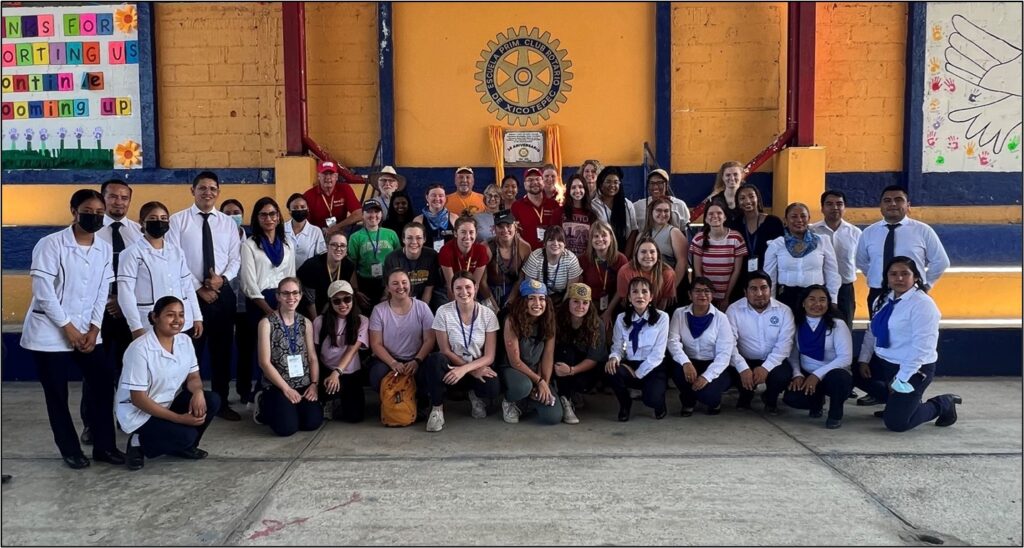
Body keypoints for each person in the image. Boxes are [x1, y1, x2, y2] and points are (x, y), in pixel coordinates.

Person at [21, 188, 123, 469]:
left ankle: (105, 447)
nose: (94, 217)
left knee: (102, 384)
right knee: (57, 394)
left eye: (99, 214)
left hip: (88, 330)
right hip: (50, 332)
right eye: (88, 212)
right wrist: (68, 328)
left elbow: (103, 290)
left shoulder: (102, 248)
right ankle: (70, 449)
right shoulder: (50, 244)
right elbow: (44, 292)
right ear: (74, 212)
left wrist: (93, 328)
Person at [167, 171, 243, 420]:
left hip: (222, 294)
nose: (207, 192)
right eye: (202, 188)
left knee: (222, 351)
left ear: (218, 192)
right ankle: (189, 401)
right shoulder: (178, 222)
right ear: (193, 190)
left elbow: (235, 258)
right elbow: (175, 259)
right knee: (192, 352)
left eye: (212, 188)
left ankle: (221, 402)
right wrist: (198, 287)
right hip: (190, 297)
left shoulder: (226, 223)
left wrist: (221, 280)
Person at [855, 257, 961, 432]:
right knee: (851, 371)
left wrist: (901, 378)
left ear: (916, 277)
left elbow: (922, 348)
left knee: (897, 423)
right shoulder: (882, 300)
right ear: (887, 278)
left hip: (913, 368)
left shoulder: (923, 305)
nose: (899, 278)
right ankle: (896, 402)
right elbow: (872, 331)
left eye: (905, 274)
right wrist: (864, 360)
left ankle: (942, 403)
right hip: (883, 363)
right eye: (893, 274)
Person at [117, 296, 220, 470]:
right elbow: (138, 399)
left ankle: (181, 447)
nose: (177, 320)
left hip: (166, 403)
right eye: (170, 315)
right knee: (186, 435)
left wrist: (198, 393)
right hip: (140, 412)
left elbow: (193, 377)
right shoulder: (140, 349)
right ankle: (138, 442)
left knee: (212, 400)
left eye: (181, 315)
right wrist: (179, 419)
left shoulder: (184, 341)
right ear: (155, 317)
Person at [80, 179, 142, 445]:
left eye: (124, 197)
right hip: (98, 314)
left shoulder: (138, 232)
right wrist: (108, 299)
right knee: (96, 372)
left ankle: (125, 417)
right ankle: (92, 424)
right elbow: (83, 275)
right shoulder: (89, 232)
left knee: (129, 369)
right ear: (103, 198)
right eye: (113, 197)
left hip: (130, 313)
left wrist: (124, 301)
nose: (119, 202)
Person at [421, 272, 501, 432]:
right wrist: (464, 369)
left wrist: (466, 369)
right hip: (452, 367)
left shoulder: (488, 314)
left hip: (475, 366)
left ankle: (474, 395)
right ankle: (437, 409)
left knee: (493, 388)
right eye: (458, 288)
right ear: (452, 290)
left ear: (476, 288)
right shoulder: (443, 312)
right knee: (435, 360)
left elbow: (489, 356)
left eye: (468, 287)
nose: (463, 292)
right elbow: (444, 350)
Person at [239, 197, 298, 403]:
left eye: (273, 213)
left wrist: (287, 304)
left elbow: (291, 276)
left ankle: (280, 387)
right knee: (259, 348)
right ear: (257, 218)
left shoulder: (288, 243)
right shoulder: (250, 245)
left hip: (283, 301)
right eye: (263, 214)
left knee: (281, 348)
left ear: (279, 217)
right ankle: (254, 391)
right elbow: (248, 282)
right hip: (259, 302)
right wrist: (269, 310)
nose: (269, 218)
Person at [855, 185, 950, 313]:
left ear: (908, 205)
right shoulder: (869, 232)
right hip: (878, 292)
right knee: (878, 331)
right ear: (881, 206)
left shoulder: (923, 230)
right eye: (887, 200)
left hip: (912, 292)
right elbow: (861, 261)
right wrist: (879, 276)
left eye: (899, 200)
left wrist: (926, 285)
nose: (893, 204)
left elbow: (941, 261)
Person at [118, 201, 204, 340]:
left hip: (181, 324)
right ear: (142, 222)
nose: (159, 222)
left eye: (163, 219)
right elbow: (125, 293)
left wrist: (197, 317)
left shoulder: (176, 251)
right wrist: (135, 327)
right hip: (148, 323)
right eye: (152, 219)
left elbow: (187, 286)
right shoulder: (131, 253)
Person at [252, 278, 322, 436]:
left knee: (312, 423)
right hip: (278, 385)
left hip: (303, 383)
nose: (291, 297)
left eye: (295, 293)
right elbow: (264, 362)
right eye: (286, 293)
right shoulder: (266, 323)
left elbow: (312, 358)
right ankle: (263, 403)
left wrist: (314, 384)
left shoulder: (306, 323)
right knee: (287, 429)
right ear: (278, 296)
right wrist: (286, 389)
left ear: (301, 295)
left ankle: (292, 408)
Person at [783, 285, 853, 429]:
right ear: (803, 303)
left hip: (832, 374)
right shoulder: (796, 324)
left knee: (840, 379)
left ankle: (835, 414)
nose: (817, 304)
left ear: (828, 303)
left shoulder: (837, 325)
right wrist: (797, 374)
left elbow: (845, 358)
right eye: (812, 299)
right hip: (807, 373)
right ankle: (816, 402)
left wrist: (817, 375)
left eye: (822, 300)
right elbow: (793, 355)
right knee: (793, 399)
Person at [726, 271, 795, 414]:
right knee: (734, 370)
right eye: (753, 289)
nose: (759, 293)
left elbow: (784, 346)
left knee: (782, 375)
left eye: (764, 288)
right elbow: (729, 344)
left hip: (773, 360)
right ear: (745, 292)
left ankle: (771, 399)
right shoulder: (733, 310)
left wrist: (766, 368)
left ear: (770, 290)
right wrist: (743, 368)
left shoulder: (784, 311)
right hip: (745, 359)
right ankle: (745, 396)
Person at [666, 277, 736, 416]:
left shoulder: (721, 318)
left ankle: (712, 401)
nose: (702, 295)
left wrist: (706, 377)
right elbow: (673, 341)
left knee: (708, 396)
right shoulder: (679, 314)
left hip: (713, 364)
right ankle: (688, 401)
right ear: (689, 295)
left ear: (712, 295)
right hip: (689, 362)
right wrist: (685, 362)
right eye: (697, 291)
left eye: (707, 291)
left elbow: (724, 355)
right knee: (676, 369)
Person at [604, 276, 670, 421]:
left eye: (644, 292)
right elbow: (618, 346)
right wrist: (614, 357)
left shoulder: (662, 318)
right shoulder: (622, 318)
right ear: (628, 297)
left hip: (653, 366)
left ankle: (659, 402)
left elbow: (658, 354)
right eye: (635, 292)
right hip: (630, 364)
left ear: (651, 297)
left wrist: (638, 373)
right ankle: (625, 403)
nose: (640, 296)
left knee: (651, 399)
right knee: (611, 369)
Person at [499, 279, 562, 425]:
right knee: (523, 387)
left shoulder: (549, 320)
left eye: (541, 299)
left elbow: (547, 356)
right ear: (523, 301)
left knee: (552, 417)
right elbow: (515, 361)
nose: (537, 304)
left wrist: (544, 383)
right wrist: (537, 381)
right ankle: (510, 401)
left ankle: (527, 402)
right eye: (531, 298)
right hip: (513, 369)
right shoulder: (512, 320)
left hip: (535, 371)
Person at [367, 269, 436, 395]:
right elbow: (376, 344)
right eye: (395, 283)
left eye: (404, 282)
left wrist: (417, 360)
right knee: (377, 374)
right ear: (387, 288)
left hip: (417, 358)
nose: (400, 287)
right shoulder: (379, 310)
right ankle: (389, 404)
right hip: (389, 359)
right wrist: (393, 362)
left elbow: (429, 339)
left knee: (429, 371)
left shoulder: (422, 307)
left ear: (410, 285)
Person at [763, 202, 841, 313]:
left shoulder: (822, 241)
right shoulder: (776, 245)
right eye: (794, 216)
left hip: (816, 299)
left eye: (803, 216)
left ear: (809, 219)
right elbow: (770, 278)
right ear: (785, 220)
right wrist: (771, 303)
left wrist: (832, 300)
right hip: (786, 299)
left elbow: (832, 273)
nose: (799, 220)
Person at [313, 280, 369, 423]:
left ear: (353, 299)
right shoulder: (320, 322)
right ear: (330, 303)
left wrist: (337, 372)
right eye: (336, 301)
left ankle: (339, 400)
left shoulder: (362, 321)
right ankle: (330, 399)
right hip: (327, 369)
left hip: (349, 372)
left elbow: (352, 349)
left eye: (347, 299)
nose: (343, 305)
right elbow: (314, 351)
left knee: (355, 417)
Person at [552, 284, 606, 424]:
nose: (580, 306)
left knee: (588, 377)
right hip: (560, 365)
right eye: (576, 301)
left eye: (585, 302)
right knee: (566, 351)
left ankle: (573, 392)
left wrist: (571, 370)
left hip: (582, 369)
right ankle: (565, 399)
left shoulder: (596, 324)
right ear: (568, 302)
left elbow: (594, 358)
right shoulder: (556, 320)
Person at [811, 190, 862, 329]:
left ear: (844, 208)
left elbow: (863, 260)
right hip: (819, 288)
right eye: (829, 204)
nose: (835, 208)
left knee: (845, 327)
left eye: (839, 204)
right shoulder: (812, 232)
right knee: (818, 327)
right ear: (822, 208)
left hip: (845, 289)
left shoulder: (855, 233)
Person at [219, 199, 253, 405]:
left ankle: (244, 390)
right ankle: (221, 394)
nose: (233, 216)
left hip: (246, 302)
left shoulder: (250, 242)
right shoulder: (218, 239)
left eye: (237, 212)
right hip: (223, 300)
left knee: (246, 349)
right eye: (228, 213)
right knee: (222, 349)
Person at [726, 183, 784, 302]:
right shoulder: (734, 225)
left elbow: (782, 253)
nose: (747, 201)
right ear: (737, 202)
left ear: (758, 198)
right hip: (741, 280)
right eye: (742, 198)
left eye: (751, 196)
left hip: (768, 277)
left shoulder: (773, 222)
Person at [691, 203, 747, 310]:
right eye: (710, 214)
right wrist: (706, 295)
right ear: (706, 219)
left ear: (725, 217)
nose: (715, 216)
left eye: (719, 213)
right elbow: (698, 271)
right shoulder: (699, 239)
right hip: (706, 296)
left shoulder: (736, 238)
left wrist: (726, 297)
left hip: (730, 294)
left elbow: (737, 271)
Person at [348, 198, 401, 305]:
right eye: (369, 212)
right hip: (365, 283)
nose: (373, 215)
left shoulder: (391, 234)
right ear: (363, 215)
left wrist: (391, 286)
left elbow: (398, 261)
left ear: (381, 214)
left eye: (376, 211)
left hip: (389, 281)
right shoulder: (355, 237)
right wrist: (356, 290)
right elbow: (351, 266)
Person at [642, 197, 691, 309]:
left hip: (669, 286)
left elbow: (682, 263)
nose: (662, 214)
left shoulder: (674, 232)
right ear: (651, 212)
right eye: (659, 210)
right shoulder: (643, 235)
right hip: (648, 288)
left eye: (666, 211)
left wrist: (671, 289)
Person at [516, 225, 583, 305]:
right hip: (538, 301)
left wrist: (562, 308)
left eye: (560, 240)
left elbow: (571, 291)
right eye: (551, 240)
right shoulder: (535, 257)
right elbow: (530, 289)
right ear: (544, 243)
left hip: (562, 301)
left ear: (564, 244)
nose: (555, 243)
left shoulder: (571, 259)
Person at [578, 220, 629, 326]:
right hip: (589, 305)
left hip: (613, 305)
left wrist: (608, 312)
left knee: (608, 335)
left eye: (604, 235)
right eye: (596, 236)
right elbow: (580, 288)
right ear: (591, 239)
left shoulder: (621, 259)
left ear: (611, 237)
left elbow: (621, 290)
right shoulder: (583, 259)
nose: (600, 239)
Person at [297, 231, 357, 320]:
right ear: (327, 246)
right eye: (334, 245)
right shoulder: (312, 266)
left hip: (333, 311)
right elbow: (310, 302)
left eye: (342, 245)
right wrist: (317, 324)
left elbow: (351, 292)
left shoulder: (348, 265)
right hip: (308, 313)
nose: (339, 248)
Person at [438, 215, 492, 306]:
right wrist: (458, 309)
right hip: (448, 290)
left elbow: (475, 284)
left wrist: (469, 306)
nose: (467, 236)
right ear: (455, 233)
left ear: (476, 233)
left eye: (471, 232)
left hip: (469, 291)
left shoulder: (481, 251)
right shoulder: (446, 251)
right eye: (463, 232)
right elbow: (450, 286)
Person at [383, 221, 440, 306]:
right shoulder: (391, 258)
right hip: (399, 296)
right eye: (409, 238)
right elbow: (390, 289)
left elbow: (429, 288)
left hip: (424, 298)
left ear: (424, 239)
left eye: (418, 238)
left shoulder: (432, 255)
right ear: (403, 239)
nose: (414, 242)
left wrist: (421, 310)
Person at [486, 211, 532, 311]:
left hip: (513, 291)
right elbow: (481, 282)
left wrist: (511, 300)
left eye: (508, 225)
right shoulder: (486, 247)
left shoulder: (524, 247)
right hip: (490, 291)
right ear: (494, 229)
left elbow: (522, 277)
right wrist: (493, 305)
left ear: (515, 226)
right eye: (500, 226)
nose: (505, 230)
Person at [614, 237, 676, 312]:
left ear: (658, 254)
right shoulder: (625, 272)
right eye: (643, 252)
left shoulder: (668, 273)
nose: (648, 256)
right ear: (636, 254)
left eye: (652, 252)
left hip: (657, 312)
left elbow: (663, 304)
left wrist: (651, 319)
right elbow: (625, 302)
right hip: (631, 311)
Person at [591, 166, 638, 257]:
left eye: (616, 182)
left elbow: (633, 232)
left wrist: (625, 258)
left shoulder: (627, 205)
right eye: (608, 181)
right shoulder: (594, 205)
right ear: (601, 184)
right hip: (601, 252)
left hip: (623, 252)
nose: (612, 185)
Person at [511, 167, 563, 249]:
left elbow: (559, 232)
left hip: (551, 254)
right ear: (524, 184)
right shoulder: (516, 206)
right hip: (527, 255)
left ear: (543, 182)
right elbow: (514, 233)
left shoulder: (554, 205)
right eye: (530, 180)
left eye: (538, 179)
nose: (535, 182)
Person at [303, 160, 362, 230]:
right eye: (324, 174)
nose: (328, 177)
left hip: (340, 232)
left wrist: (336, 227)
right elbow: (303, 222)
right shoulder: (308, 195)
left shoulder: (345, 189)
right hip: (317, 234)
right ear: (318, 176)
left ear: (336, 176)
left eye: (331, 174)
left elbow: (359, 214)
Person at [691, 160, 744, 225]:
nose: (732, 178)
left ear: (742, 176)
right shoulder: (713, 201)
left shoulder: (750, 197)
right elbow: (707, 227)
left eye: (735, 174)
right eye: (728, 175)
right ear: (722, 177)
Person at [284, 193, 326, 269]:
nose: (299, 210)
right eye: (295, 208)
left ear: (308, 209)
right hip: (285, 275)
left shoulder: (316, 231)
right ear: (289, 211)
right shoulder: (281, 229)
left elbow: (321, 256)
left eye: (303, 207)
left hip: (308, 275)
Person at [413, 184, 459, 253]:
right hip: (427, 260)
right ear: (427, 198)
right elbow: (415, 245)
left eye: (441, 196)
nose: (437, 199)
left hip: (449, 259)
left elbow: (459, 242)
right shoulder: (418, 220)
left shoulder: (454, 218)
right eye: (433, 195)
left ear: (445, 198)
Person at [561, 173, 597, 256]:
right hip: (565, 261)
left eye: (581, 187)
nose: (577, 191)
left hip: (586, 261)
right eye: (573, 187)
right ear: (568, 190)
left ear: (585, 189)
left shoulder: (592, 215)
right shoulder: (558, 212)